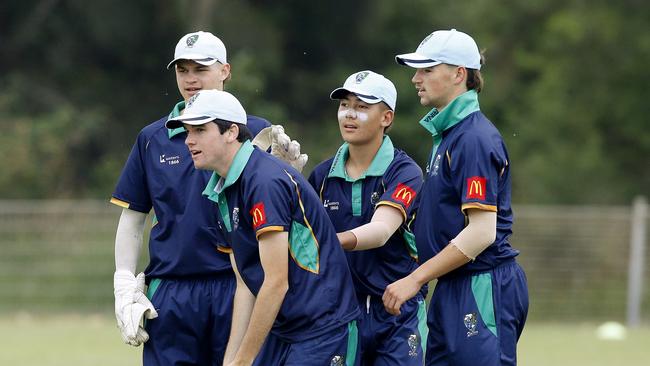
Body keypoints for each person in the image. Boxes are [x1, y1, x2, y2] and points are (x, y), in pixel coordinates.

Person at [110, 31, 304, 365]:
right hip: (172, 290)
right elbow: (133, 218)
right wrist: (124, 282)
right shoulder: (152, 138)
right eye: (182, 70)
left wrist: (290, 172)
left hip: (238, 287)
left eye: (200, 69)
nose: (190, 79)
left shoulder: (253, 131)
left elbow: (284, 211)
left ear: (225, 71)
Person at [165, 89, 361, 366]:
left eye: (199, 130)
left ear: (231, 132)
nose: (188, 141)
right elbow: (246, 284)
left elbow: (276, 283)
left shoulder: (264, 181)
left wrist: (243, 360)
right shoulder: (220, 188)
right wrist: (231, 359)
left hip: (324, 329)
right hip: (284, 332)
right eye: (187, 131)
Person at [382, 29, 529, 365]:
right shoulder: (449, 135)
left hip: (481, 286)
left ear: (459, 74)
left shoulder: (473, 138)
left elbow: (481, 232)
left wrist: (415, 279)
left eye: (427, 69)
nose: (415, 79)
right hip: (452, 286)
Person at [308, 70, 427, 365]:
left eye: (362, 107)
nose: (349, 114)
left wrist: (330, 241)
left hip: (398, 312)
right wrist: (284, 177)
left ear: (386, 118)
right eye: (345, 105)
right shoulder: (321, 176)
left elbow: (381, 230)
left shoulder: (404, 171)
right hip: (341, 312)